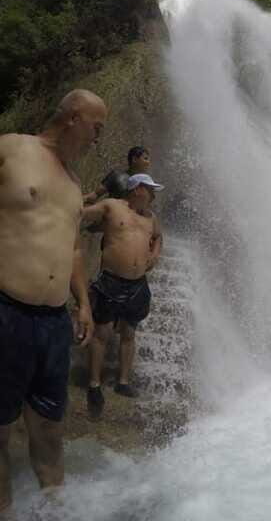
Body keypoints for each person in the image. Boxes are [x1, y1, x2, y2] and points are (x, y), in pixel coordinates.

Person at [0, 89, 105, 513]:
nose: (99, 136)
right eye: (97, 126)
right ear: (75, 117)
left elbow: (74, 248)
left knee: (49, 426)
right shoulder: (11, 148)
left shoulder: (74, 183)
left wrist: (83, 303)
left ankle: (54, 510)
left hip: (52, 321)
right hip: (6, 309)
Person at [82, 173, 163, 417]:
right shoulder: (112, 206)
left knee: (129, 332)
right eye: (150, 189)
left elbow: (158, 237)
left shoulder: (151, 218)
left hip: (137, 284)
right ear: (137, 188)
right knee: (102, 333)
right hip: (111, 281)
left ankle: (123, 381)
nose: (153, 195)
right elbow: (82, 216)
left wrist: (155, 254)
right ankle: (94, 384)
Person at [82, 146, 151, 204]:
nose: (148, 162)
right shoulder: (117, 176)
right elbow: (95, 195)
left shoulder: (146, 183)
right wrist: (75, 202)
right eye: (145, 158)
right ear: (134, 159)